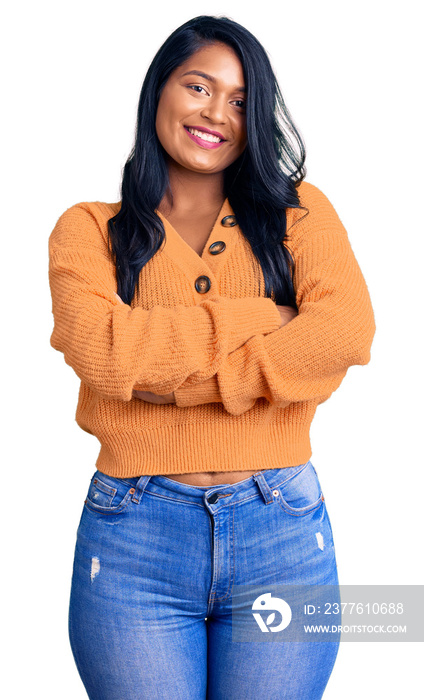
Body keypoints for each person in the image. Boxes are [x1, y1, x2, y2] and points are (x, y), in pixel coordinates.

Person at [48, 15, 376, 700]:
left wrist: (180, 384)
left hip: (281, 530)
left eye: (239, 100)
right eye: (199, 86)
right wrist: (267, 317)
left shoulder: (300, 215)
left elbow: (345, 331)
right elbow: (105, 352)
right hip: (135, 538)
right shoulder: (89, 231)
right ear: (159, 90)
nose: (217, 113)